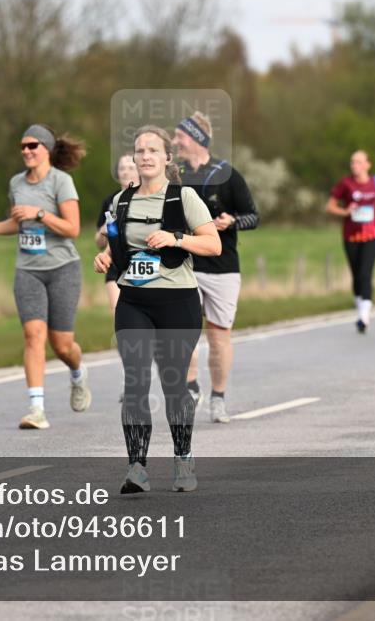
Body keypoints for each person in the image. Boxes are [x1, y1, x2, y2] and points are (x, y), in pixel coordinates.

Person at [94, 125, 221, 493]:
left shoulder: (184, 198)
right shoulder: (122, 201)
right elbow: (120, 249)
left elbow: (212, 245)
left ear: (167, 158)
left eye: (153, 150)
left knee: (172, 384)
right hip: (134, 301)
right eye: (140, 150)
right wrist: (104, 258)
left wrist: (176, 238)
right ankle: (137, 467)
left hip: (177, 302)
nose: (145, 156)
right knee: (134, 382)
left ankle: (183, 459)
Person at [0, 125, 90, 430]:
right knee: (33, 336)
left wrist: (40, 214)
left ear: (47, 149)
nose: (26, 151)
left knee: (62, 346)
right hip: (28, 270)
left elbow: (73, 229)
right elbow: (17, 223)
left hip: (63, 268)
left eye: (32, 145)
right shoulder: (16, 183)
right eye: (22, 146)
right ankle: (36, 408)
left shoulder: (61, 182)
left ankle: (78, 373)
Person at [173, 112, 259, 424]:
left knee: (219, 336)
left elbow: (253, 216)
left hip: (223, 268)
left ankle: (218, 397)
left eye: (180, 136)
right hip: (186, 265)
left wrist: (232, 221)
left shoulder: (228, 174)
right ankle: (191, 387)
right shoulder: (175, 174)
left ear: (196, 138)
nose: (175, 141)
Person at [326, 150, 375, 333]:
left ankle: (364, 316)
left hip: (372, 235)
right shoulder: (346, 184)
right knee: (356, 273)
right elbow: (330, 206)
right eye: (352, 162)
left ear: (368, 164)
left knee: (365, 272)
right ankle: (360, 305)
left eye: (359, 162)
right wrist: (345, 212)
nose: (355, 165)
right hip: (351, 236)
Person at [96, 155, 141, 316]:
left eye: (130, 167)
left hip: (141, 262)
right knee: (120, 314)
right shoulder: (109, 201)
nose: (126, 172)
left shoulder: (148, 198)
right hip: (115, 264)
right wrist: (105, 227)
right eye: (122, 168)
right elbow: (99, 243)